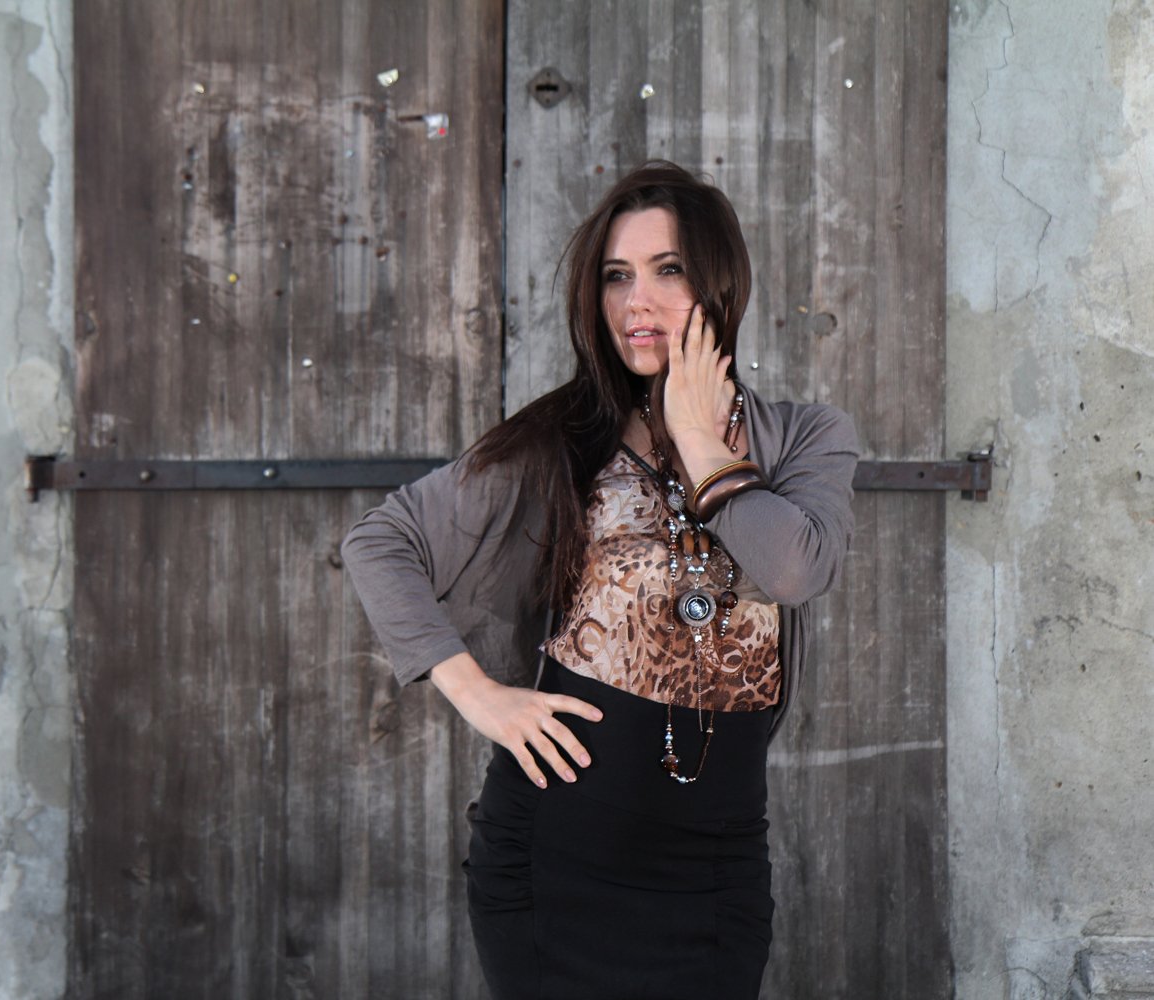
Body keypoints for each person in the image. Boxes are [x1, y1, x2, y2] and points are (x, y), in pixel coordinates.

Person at [341, 160, 858, 1000]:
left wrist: (699, 442)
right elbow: (382, 539)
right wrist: (477, 694)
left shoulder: (804, 437)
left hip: (715, 864)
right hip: (555, 857)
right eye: (617, 276)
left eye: (667, 269)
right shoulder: (563, 438)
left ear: (721, 284)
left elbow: (796, 567)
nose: (635, 302)